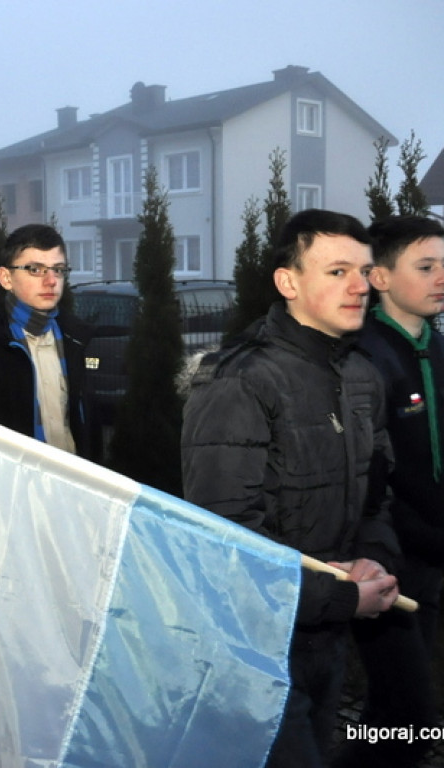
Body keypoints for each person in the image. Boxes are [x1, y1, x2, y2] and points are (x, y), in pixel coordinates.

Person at [181, 209, 401, 768]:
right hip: (255, 652)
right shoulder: (240, 380)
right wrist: (342, 597)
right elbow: (226, 544)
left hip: (328, 639)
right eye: (336, 271)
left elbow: (377, 493)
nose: (360, 285)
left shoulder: (361, 377)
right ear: (289, 282)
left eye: (365, 270)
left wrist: (372, 560)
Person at [334, 215, 444, 767]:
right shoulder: (365, 357)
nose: (441, 278)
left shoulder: (436, 345)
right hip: (391, 553)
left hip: (433, 551)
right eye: (425, 267)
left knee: (396, 708)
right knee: (414, 715)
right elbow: (378, 475)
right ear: (379, 278)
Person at [0, 224, 92, 457]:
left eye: (58, 270)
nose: (51, 280)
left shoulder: (75, 341)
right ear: (6, 278)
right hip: (11, 488)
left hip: (72, 486)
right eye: (35, 269)